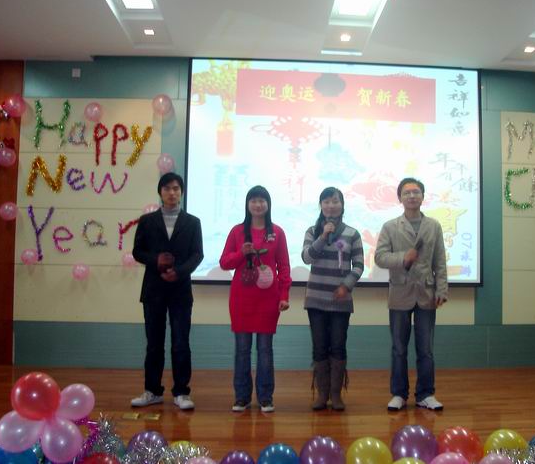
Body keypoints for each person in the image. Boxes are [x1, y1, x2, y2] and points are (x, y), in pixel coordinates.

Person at [130, 172, 204, 410]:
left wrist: (179, 272)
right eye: (167, 189)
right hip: (154, 289)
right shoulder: (147, 221)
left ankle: (181, 392)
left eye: (176, 188)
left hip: (180, 290)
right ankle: (152, 391)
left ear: (181, 192)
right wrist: (156, 260)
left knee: (181, 342)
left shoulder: (192, 222)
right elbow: (137, 251)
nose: (172, 193)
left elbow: (197, 254)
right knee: (154, 343)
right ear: (160, 192)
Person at [374, 177, 448, 411]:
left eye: (416, 192)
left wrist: (442, 289)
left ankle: (426, 394)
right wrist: (403, 258)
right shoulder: (390, 226)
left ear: (423, 197)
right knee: (399, 348)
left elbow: (440, 261)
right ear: (400, 198)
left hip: (426, 292)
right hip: (400, 292)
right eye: (407, 193)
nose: (412, 196)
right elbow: (380, 257)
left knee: (426, 349)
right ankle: (399, 394)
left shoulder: (433, 226)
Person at [219, 185, 291, 413]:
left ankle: (265, 397)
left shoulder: (277, 232)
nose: (258, 205)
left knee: (265, 349)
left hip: (268, 300)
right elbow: (224, 263)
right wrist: (242, 253)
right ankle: (241, 397)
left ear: (268, 204)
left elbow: (284, 267)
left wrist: (284, 295)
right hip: (242, 299)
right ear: (247, 204)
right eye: (254, 200)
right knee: (242, 349)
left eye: (262, 200)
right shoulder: (237, 231)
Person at [301, 187, 364, 411]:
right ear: (321, 206)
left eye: (335, 201)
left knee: (338, 347)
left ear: (342, 205)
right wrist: (322, 236)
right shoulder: (312, 231)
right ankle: (322, 395)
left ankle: (336, 395)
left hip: (341, 301)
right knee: (319, 348)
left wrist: (346, 286)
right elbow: (307, 257)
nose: (331, 206)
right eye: (326, 202)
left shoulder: (352, 234)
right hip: (316, 299)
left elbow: (359, 265)